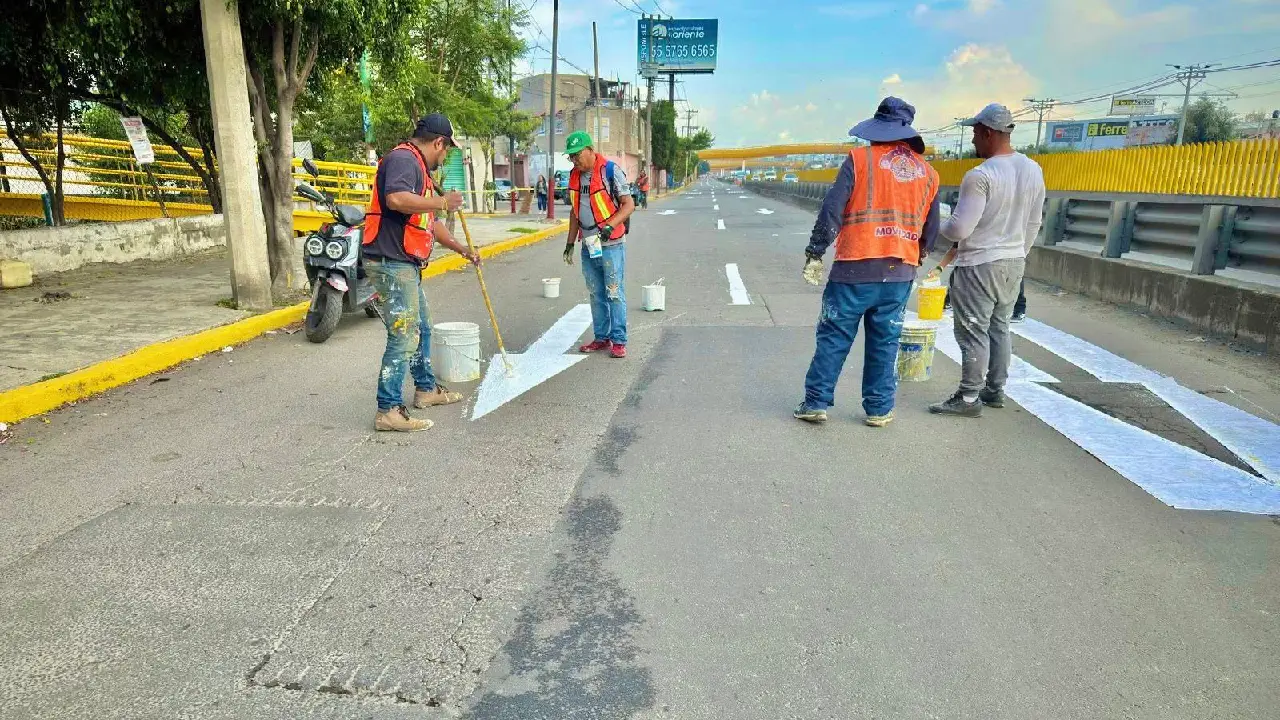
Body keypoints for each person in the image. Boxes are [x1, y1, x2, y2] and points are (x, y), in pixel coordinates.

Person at [793, 97, 941, 427]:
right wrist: (917, 257)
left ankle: (816, 402)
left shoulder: (859, 159)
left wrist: (816, 251)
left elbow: (832, 209)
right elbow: (931, 230)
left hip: (854, 268)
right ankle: (879, 409)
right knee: (885, 341)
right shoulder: (929, 174)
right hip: (901, 271)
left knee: (834, 336)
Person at [362, 113, 482, 432]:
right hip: (390, 261)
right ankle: (387, 410)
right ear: (438, 142)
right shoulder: (404, 159)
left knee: (423, 327)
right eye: (446, 151)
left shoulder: (420, 170)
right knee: (404, 334)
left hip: (404, 261)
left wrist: (463, 250)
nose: (445, 158)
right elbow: (397, 199)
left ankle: (426, 389)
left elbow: (431, 223)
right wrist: (442, 201)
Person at [925, 103, 1045, 417]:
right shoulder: (1033, 169)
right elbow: (1034, 223)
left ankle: (967, 398)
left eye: (976, 134)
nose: (974, 141)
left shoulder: (981, 175)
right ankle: (994, 391)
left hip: (979, 264)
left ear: (988, 132)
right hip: (1014, 261)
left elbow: (961, 228)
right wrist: (1018, 251)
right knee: (999, 327)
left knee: (973, 330)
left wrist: (937, 223)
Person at [561, 131, 636, 359]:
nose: (575, 160)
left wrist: (610, 226)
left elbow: (629, 204)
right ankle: (602, 338)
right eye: (571, 157)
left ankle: (619, 340)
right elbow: (575, 212)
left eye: (578, 155)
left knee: (613, 292)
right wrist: (570, 243)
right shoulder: (574, 176)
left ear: (590, 150)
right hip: (589, 244)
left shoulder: (610, 171)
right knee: (596, 293)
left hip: (611, 243)